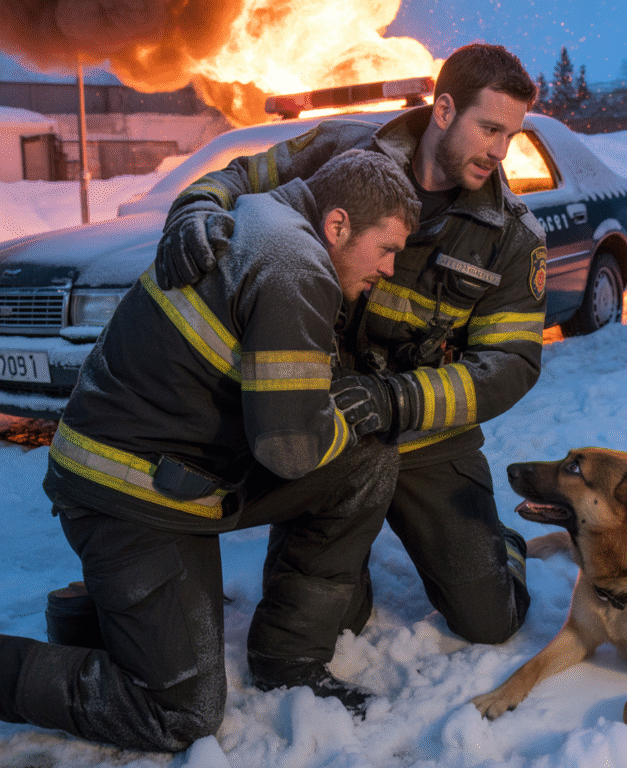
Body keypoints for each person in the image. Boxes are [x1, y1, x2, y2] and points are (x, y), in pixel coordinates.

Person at [0, 150, 421, 752]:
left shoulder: (263, 218)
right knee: (178, 713)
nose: (388, 267)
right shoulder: (295, 265)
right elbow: (289, 449)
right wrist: (345, 416)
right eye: (386, 248)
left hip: (178, 472)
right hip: (127, 495)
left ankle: (286, 657)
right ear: (337, 225)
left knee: (367, 464)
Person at [156, 44, 546, 650]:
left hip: (424, 435)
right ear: (444, 109)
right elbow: (242, 177)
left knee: (490, 621)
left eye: (511, 136)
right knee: (333, 621)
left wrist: (398, 401)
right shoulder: (341, 152)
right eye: (489, 128)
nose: (499, 151)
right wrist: (195, 207)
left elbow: (510, 364)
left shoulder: (511, 237)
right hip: (326, 424)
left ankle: (502, 548)